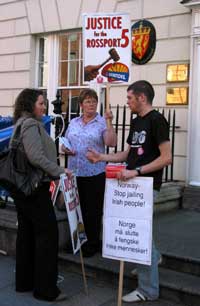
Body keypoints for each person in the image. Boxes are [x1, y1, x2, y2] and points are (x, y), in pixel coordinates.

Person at [87, 80, 172, 302]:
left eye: (129, 98)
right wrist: (101, 157)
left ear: (142, 98)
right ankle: (151, 261)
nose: (127, 102)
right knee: (139, 233)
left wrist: (137, 171)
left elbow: (166, 158)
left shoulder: (157, 121)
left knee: (141, 236)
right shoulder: (136, 122)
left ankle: (148, 289)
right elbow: (127, 154)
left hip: (146, 186)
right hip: (133, 186)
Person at [12, 88, 70, 302]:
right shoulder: (30, 125)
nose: (44, 107)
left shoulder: (20, 123)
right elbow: (36, 157)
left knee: (26, 234)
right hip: (34, 189)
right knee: (48, 235)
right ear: (29, 105)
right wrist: (60, 170)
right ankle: (46, 290)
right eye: (40, 103)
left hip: (23, 189)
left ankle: (25, 283)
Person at [62, 88, 117, 257]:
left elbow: (111, 142)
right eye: (87, 101)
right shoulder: (74, 122)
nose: (91, 104)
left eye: (94, 101)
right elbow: (66, 141)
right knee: (75, 209)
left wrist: (109, 122)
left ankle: (92, 243)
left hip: (94, 173)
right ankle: (77, 241)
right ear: (81, 105)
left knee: (92, 210)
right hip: (74, 172)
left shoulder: (101, 122)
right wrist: (64, 148)